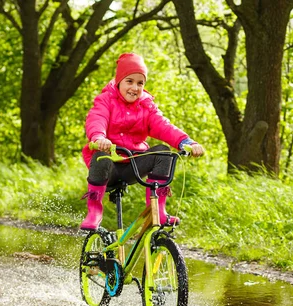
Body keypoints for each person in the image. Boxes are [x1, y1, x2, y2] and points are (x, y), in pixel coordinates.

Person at [80, 52, 204, 231]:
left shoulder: (146, 106)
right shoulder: (106, 100)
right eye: (129, 81)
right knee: (101, 156)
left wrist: (186, 142)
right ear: (118, 82)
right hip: (110, 167)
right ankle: (94, 210)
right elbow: (96, 118)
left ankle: (157, 211)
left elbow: (164, 126)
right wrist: (99, 137)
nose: (135, 87)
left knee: (164, 152)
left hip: (133, 164)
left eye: (140, 83)